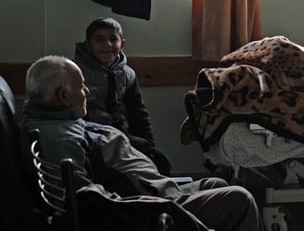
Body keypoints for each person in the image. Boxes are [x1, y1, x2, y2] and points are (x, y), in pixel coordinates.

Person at [20, 55, 260, 231]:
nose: (87, 91)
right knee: (240, 199)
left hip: (156, 189)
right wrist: (164, 210)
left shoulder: (57, 119)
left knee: (215, 182)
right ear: (63, 96)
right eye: (81, 86)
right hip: (150, 205)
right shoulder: (60, 139)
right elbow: (90, 206)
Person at [73, 17, 173, 175]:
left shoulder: (127, 74)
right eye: (100, 40)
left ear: (122, 44)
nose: (107, 45)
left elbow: (138, 113)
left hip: (126, 136)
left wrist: (148, 146)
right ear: (88, 45)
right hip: (95, 138)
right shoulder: (76, 73)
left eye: (113, 39)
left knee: (161, 163)